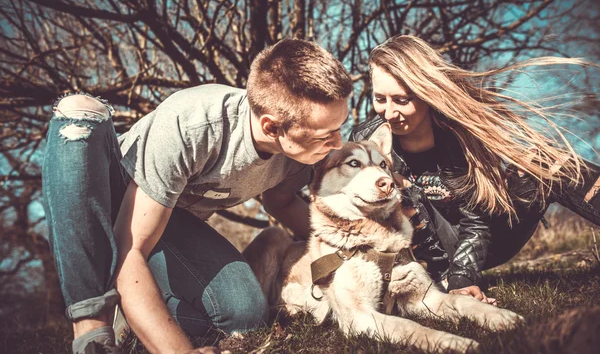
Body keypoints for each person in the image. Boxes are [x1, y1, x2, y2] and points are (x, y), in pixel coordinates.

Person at [42, 39, 352, 354]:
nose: (338, 144)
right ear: (272, 127)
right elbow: (131, 250)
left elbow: (281, 201)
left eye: (340, 127)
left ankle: (137, 320)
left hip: (171, 217)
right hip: (115, 190)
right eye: (325, 135)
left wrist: (351, 247)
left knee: (244, 316)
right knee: (80, 113)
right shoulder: (193, 126)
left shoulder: (300, 155)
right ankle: (92, 325)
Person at [351, 35, 600, 304]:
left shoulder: (459, 137)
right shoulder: (367, 142)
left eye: (402, 100)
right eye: (380, 99)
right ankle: (441, 276)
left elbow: (477, 221)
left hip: (483, 240)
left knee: (548, 163)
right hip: (420, 253)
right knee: (395, 186)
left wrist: (463, 278)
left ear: (426, 93)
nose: (388, 113)